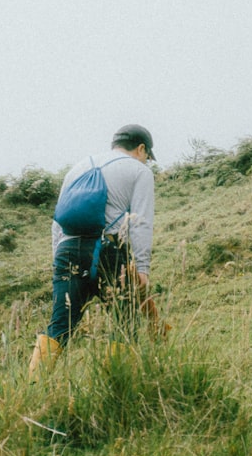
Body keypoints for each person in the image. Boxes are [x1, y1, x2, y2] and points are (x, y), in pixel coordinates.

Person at [28, 124, 157, 380]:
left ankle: (31, 389)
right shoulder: (139, 171)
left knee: (60, 326)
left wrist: (59, 260)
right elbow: (141, 222)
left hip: (67, 250)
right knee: (124, 325)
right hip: (109, 251)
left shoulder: (78, 168)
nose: (147, 162)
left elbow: (58, 222)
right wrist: (142, 267)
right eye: (148, 156)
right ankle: (117, 393)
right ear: (141, 149)